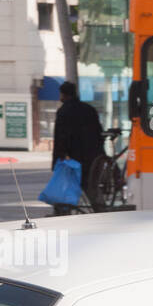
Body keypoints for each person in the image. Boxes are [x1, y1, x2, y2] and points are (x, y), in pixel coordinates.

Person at [51, 81, 104, 213]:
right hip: (92, 157)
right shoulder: (89, 109)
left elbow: (60, 138)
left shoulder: (63, 112)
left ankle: (63, 213)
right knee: (91, 187)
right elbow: (98, 133)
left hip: (73, 158)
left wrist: (58, 159)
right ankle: (101, 211)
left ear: (63, 95)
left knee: (66, 188)